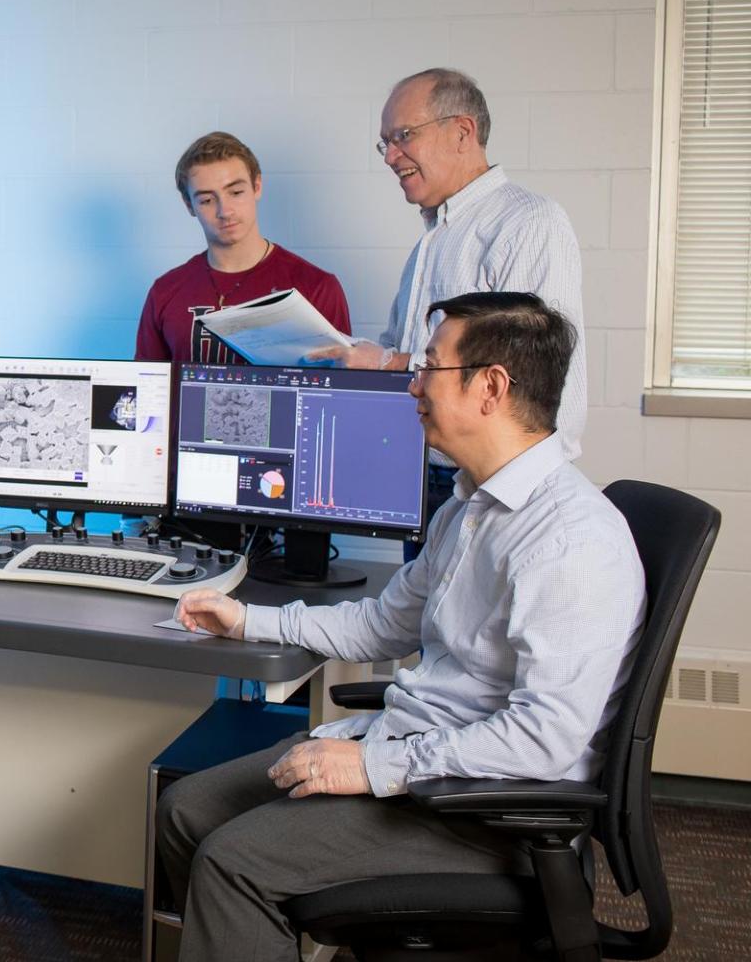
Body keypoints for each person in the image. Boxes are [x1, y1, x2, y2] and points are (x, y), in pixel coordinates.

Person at [157, 292, 644, 962]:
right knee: (186, 809)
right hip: (419, 756)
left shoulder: (568, 540)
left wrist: (373, 764)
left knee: (232, 862)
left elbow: (545, 740)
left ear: (490, 388)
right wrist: (244, 619)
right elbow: (383, 624)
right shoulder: (469, 508)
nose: (411, 385)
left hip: (480, 814)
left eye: (429, 368)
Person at [312, 68, 589, 531]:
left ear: (462, 132)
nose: (391, 156)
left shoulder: (528, 223)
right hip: (428, 476)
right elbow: (398, 349)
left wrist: (388, 363)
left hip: (494, 485)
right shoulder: (431, 243)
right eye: (385, 143)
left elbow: (527, 372)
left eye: (403, 136)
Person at [136, 131, 352, 364]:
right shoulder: (165, 291)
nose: (225, 211)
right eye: (207, 200)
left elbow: (341, 382)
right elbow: (146, 383)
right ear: (189, 205)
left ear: (257, 186)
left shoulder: (317, 287)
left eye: (236, 192)